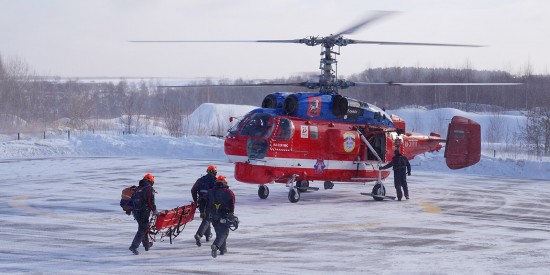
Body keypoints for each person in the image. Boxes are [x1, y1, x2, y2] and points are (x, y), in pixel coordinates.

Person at [206, 175, 235, 258]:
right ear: (225, 182)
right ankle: (216, 245)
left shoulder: (210, 191)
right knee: (224, 232)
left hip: (213, 215)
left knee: (219, 232)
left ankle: (223, 249)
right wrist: (231, 214)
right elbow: (232, 203)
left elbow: (206, 202)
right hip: (223, 215)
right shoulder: (228, 192)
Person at [129, 173, 158, 255]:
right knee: (143, 228)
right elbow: (150, 201)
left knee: (143, 227)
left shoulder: (138, 188)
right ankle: (133, 246)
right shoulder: (149, 188)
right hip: (143, 211)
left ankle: (146, 245)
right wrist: (155, 210)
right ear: (150, 181)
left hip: (135, 211)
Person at [191, 165, 217, 247]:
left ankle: (208, 235)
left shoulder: (200, 180)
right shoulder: (215, 181)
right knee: (207, 219)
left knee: (205, 217)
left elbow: (193, 190)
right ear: (214, 172)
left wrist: (196, 200)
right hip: (210, 203)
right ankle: (199, 235)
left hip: (201, 202)